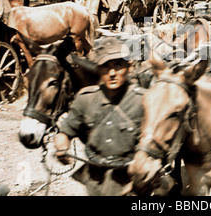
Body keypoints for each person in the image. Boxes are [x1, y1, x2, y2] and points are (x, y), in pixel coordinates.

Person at [53, 36, 145, 196]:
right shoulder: (85, 98)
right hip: (96, 180)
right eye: (105, 66)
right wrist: (61, 147)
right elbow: (66, 131)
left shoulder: (143, 100)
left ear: (128, 67)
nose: (112, 73)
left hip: (132, 181)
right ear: (97, 69)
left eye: (118, 65)